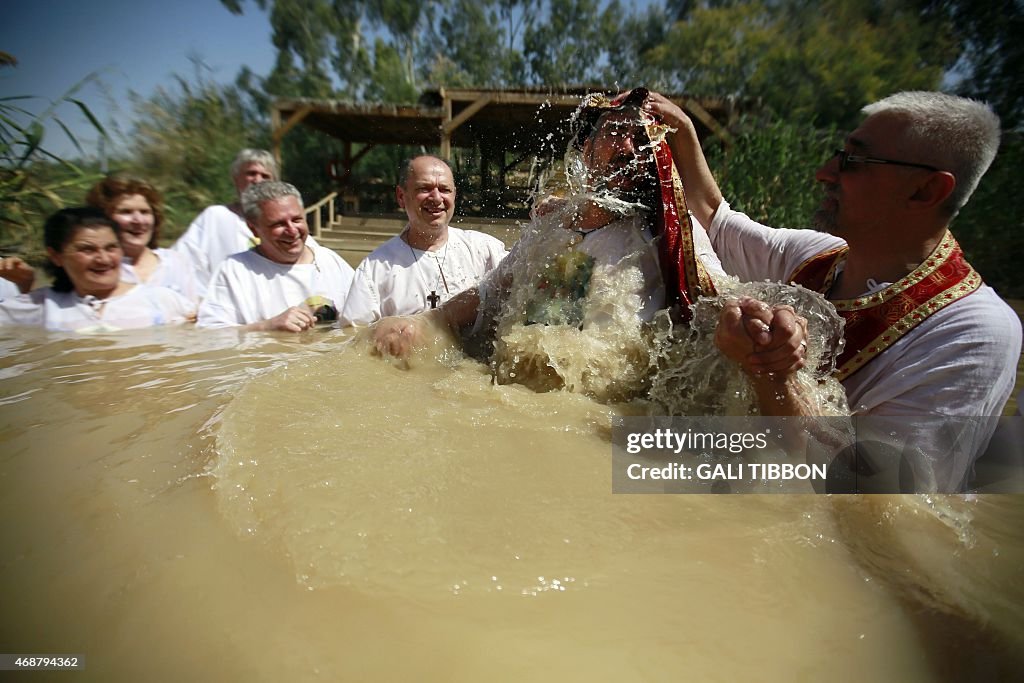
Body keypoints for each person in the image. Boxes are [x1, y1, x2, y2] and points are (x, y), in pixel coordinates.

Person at [645, 90, 1021, 490]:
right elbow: (716, 221)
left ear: (925, 191)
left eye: (854, 161)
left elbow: (877, 505)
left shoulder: (973, 331)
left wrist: (773, 375)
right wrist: (683, 133)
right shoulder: (819, 256)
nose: (824, 173)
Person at [365, 90, 812, 404]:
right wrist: (426, 321)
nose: (630, 144)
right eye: (616, 131)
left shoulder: (669, 232)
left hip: (605, 419)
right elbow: (491, 292)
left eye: (643, 138)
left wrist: (763, 327)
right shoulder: (549, 225)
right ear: (584, 151)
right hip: (515, 401)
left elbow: (715, 298)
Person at [339, 155, 508, 325]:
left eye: (444, 189)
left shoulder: (484, 250)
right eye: (424, 188)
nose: (436, 198)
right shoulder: (375, 269)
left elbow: (526, 277)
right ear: (400, 196)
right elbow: (353, 337)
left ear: (454, 195)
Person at [0, 208, 195, 332]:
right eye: (87, 249)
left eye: (111, 247)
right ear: (56, 256)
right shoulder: (43, 306)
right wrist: (25, 285)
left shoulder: (163, 301)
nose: (103, 259)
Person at [197, 181, 354, 332]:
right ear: (253, 229)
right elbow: (209, 334)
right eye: (279, 224)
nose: (292, 231)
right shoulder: (233, 270)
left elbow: (366, 316)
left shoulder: (330, 261)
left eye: (297, 220)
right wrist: (267, 327)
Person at [172, 149, 319, 296]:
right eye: (251, 173)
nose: (257, 180)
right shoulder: (216, 217)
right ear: (236, 178)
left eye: (265, 176)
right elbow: (181, 263)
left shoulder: (290, 227)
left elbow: (315, 266)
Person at [85, 175, 199, 302]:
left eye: (145, 212)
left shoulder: (176, 262)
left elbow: (194, 312)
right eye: (126, 212)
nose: (138, 220)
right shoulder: (99, 268)